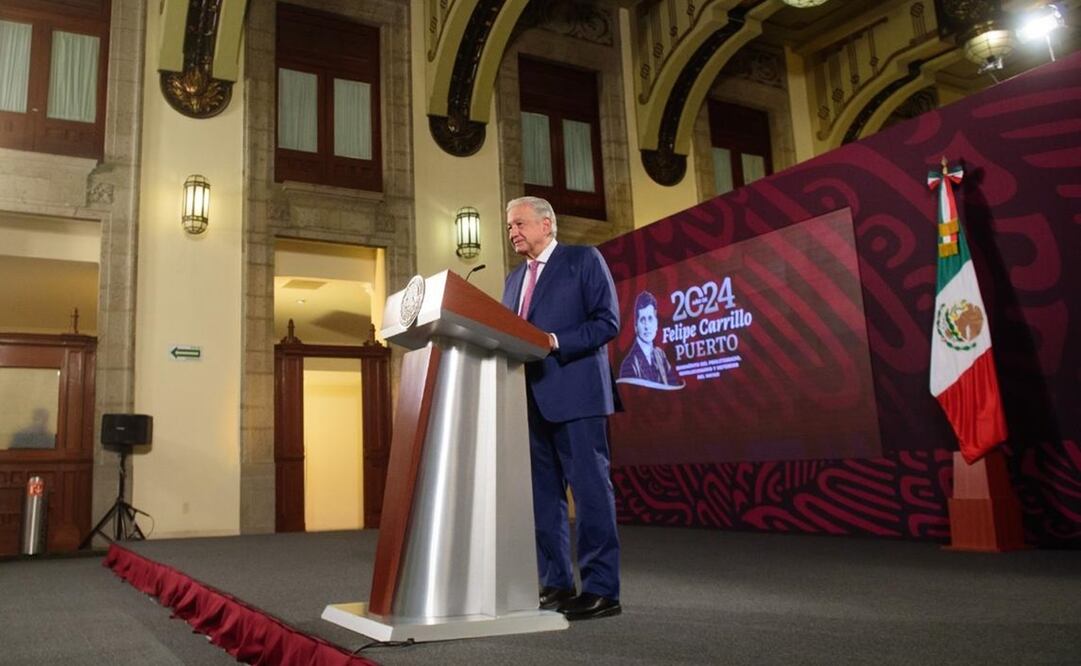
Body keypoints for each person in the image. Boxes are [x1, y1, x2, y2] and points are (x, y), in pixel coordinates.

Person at [501, 195, 622, 621]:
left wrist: (554, 341)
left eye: (519, 223)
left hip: (577, 396)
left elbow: (607, 322)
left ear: (547, 224)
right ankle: (555, 583)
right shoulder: (513, 280)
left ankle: (602, 589)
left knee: (590, 494)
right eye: (509, 226)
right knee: (543, 498)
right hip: (528, 399)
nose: (512, 232)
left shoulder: (583, 260)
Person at [618, 290, 684, 389]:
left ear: (656, 323)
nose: (647, 326)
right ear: (636, 326)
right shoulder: (629, 364)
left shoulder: (660, 355)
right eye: (642, 320)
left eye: (650, 318)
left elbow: (674, 388)